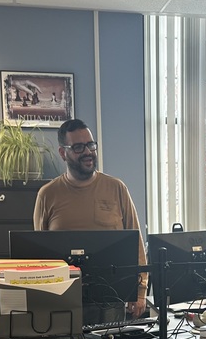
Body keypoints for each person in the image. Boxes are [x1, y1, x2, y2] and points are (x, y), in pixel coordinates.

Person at [33, 118, 148, 318]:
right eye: (78, 147)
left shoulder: (117, 188)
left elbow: (135, 242)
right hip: (62, 301)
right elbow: (37, 256)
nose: (87, 152)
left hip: (112, 299)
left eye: (90, 145)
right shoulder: (47, 195)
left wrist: (140, 291)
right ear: (63, 153)